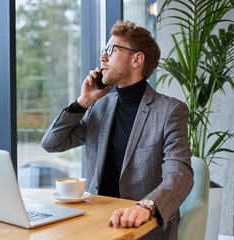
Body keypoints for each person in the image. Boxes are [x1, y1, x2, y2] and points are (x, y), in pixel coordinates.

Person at [41, 20, 193, 239]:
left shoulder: (170, 111)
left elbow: (180, 174)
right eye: (104, 51)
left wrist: (145, 207)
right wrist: (82, 102)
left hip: (142, 226)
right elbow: (51, 144)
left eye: (111, 50)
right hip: (94, 220)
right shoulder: (99, 106)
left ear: (137, 59)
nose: (103, 58)